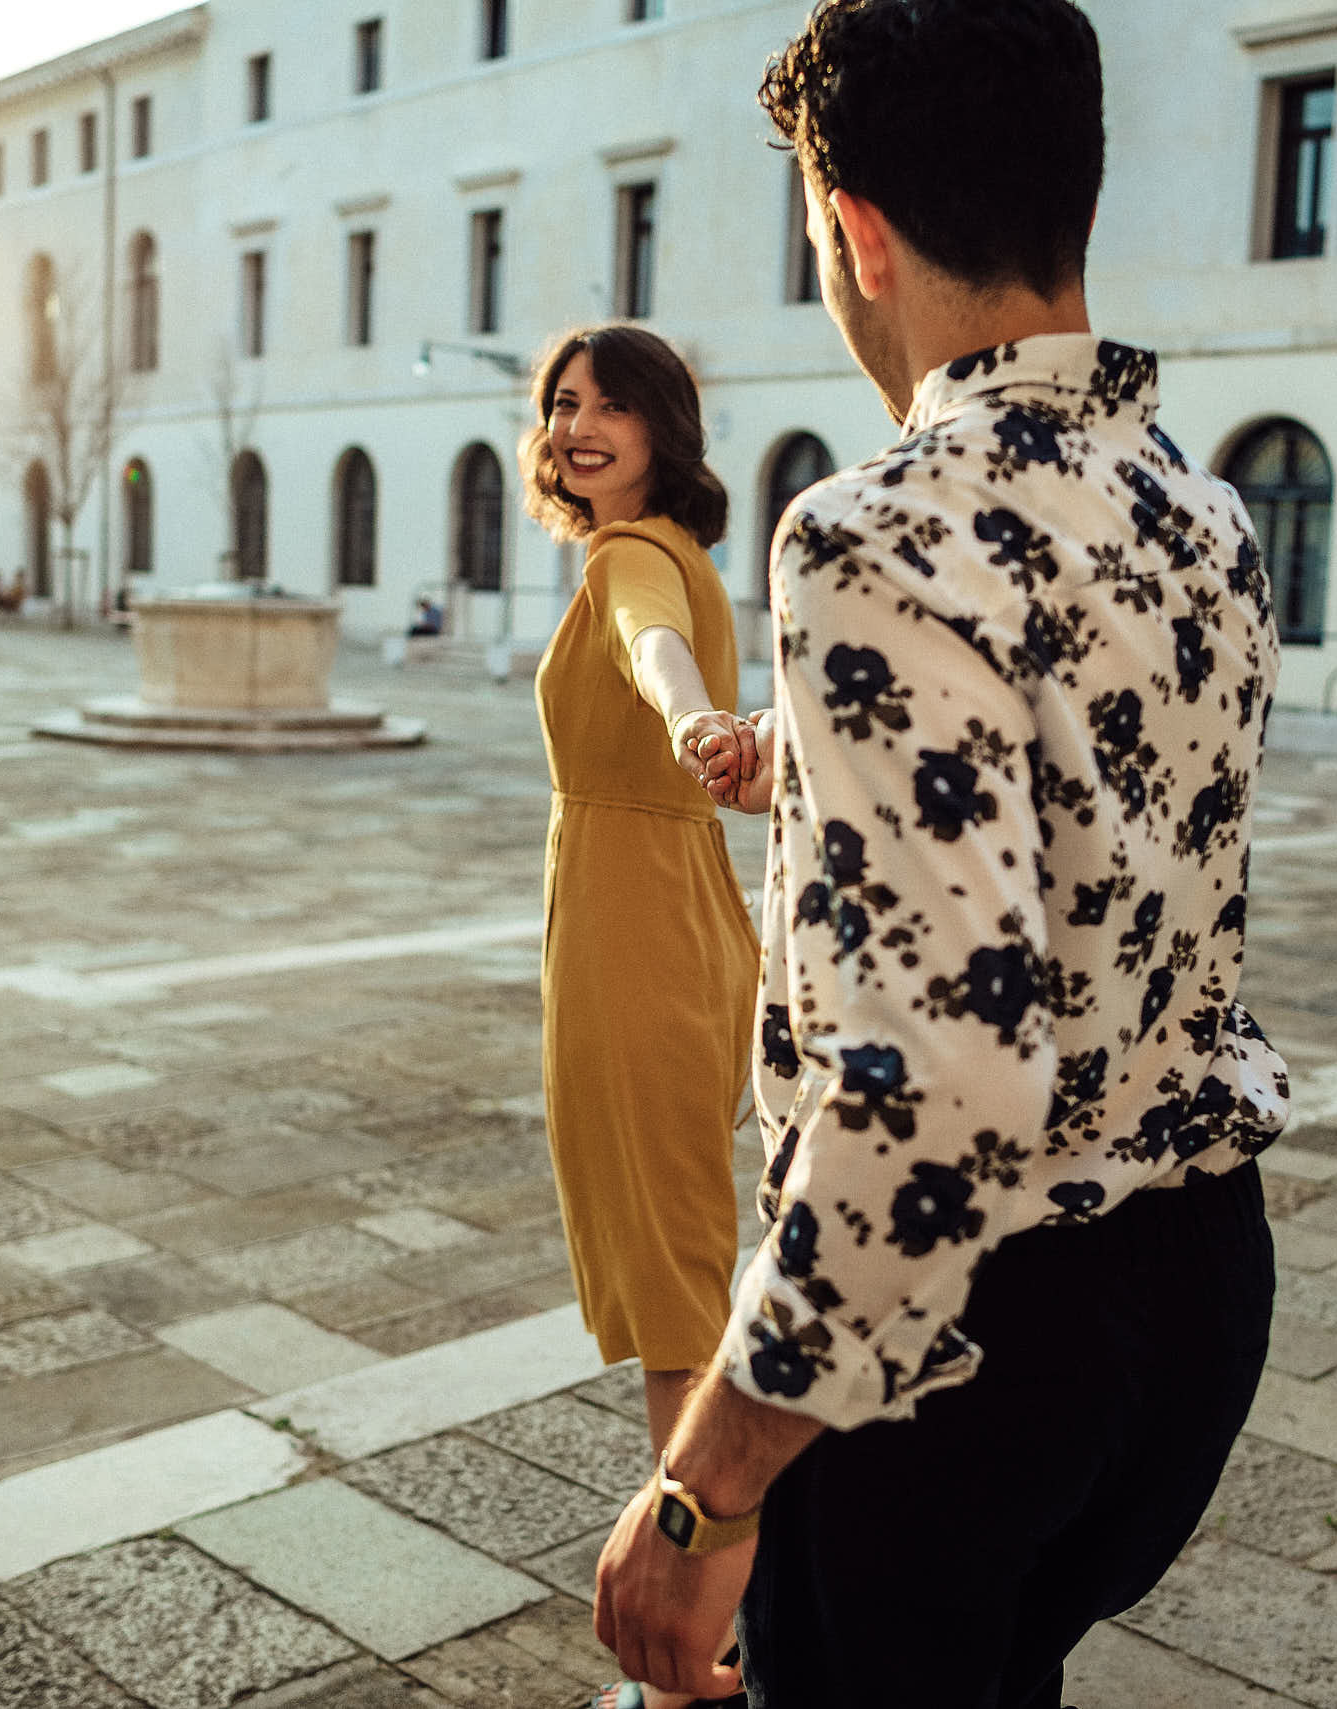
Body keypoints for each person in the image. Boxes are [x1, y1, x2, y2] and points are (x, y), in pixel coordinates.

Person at [594, 4, 1292, 1705]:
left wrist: (703, 1490)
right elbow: (1083, 850)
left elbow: (939, 1081)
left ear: (859, 231)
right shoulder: (1208, 517)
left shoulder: (871, 533)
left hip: (968, 1341)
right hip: (1194, 1297)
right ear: (1080, 210)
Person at [521, 324, 763, 1645]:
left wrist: (687, 720)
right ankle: (722, 1603)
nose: (577, 421)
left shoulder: (631, 558)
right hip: (668, 914)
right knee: (682, 1278)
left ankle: (699, 1636)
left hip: (638, 942)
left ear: (665, 425)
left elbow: (651, 646)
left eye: (609, 402)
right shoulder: (674, 550)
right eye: (562, 401)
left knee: (676, 1299)